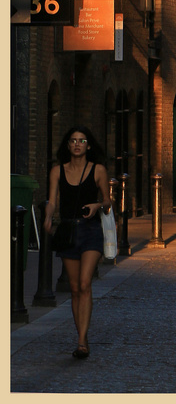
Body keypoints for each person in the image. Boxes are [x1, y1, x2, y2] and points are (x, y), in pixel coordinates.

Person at [44, 125, 112, 359]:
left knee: (85, 283)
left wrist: (97, 205)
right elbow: (53, 200)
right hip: (68, 231)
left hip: (91, 231)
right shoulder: (57, 171)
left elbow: (108, 202)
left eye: (82, 141)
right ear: (67, 145)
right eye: (73, 140)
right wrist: (47, 216)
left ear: (88, 146)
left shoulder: (98, 170)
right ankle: (80, 338)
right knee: (74, 288)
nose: (77, 144)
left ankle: (83, 340)